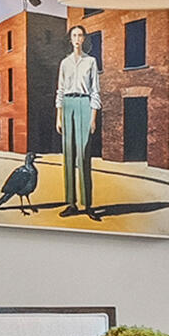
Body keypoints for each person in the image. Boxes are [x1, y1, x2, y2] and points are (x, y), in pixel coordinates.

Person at [55, 18, 100, 214]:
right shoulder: (64, 63)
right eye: (74, 35)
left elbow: (95, 90)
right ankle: (71, 203)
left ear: (84, 39)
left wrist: (93, 117)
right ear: (70, 39)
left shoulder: (91, 61)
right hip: (67, 104)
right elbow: (60, 89)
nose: (77, 39)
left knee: (83, 153)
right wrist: (59, 116)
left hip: (84, 103)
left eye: (80, 35)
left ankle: (88, 205)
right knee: (68, 153)